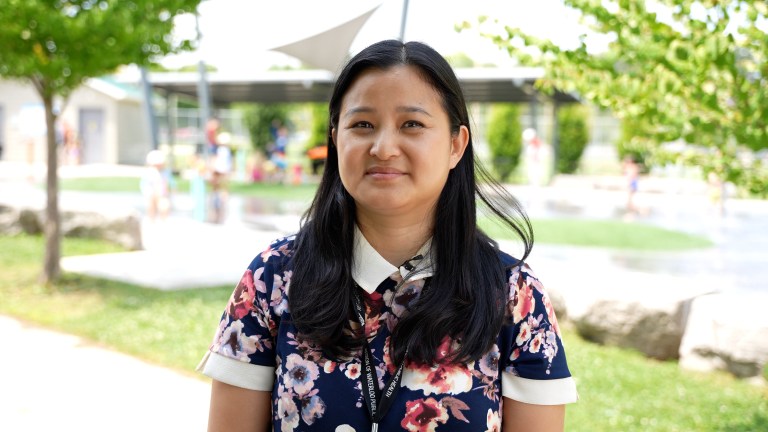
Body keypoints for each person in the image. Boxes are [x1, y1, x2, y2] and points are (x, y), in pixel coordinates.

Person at [199, 40, 577, 432]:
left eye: (411, 124)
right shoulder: (273, 279)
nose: (383, 148)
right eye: (362, 125)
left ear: (455, 145)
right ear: (335, 139)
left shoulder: (514, 295)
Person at [140, 149, 171, 221]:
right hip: (152, 194)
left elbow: (169, 182)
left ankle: (163, 221)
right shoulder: (150, 172)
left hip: (162, 193)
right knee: (151, 206)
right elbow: (145, 184)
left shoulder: (166, 172)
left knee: (164, 207)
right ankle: (152, 220)